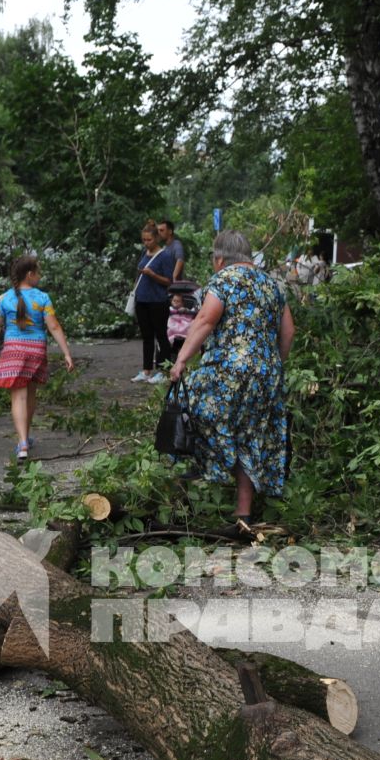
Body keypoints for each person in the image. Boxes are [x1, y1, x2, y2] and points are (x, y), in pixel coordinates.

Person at [167, 229, 295, 537]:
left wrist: (182, 359)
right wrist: (272, 365)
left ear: (220, 258)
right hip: (266, 373)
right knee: (249, 436)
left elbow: (205, 320)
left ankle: (201, 466)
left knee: (191, 403)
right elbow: (288, 332)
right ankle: (243, 514)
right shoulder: (273, 284)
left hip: (228, 370)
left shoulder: (224, 279)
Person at [0, 255, 73, 462]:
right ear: (30, 274)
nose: (40, 276)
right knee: (31, 393)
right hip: (36, 350)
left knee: (19, 396)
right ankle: (25, 438)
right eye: (38, 272)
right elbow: (54, 326)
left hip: (14, 350)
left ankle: (23, 443)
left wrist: (1, 331)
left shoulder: (4, 298)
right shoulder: (42, 298)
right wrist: (66, 353)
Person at [132, 224, 175, 384]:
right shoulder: (144, 253)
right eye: (143, 240)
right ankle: (146, 370)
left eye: (149, 239)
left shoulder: (165, 256)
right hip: (142, 300)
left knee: (161, 336)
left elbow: (169, 281)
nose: (146, 243)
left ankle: (163, 370)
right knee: (147, 337)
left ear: (156, 238)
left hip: (158, 301)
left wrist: (153, 275)